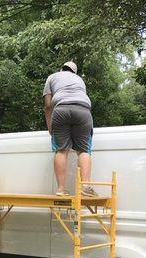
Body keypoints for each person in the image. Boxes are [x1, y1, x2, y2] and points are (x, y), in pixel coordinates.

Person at [43, 61, 98, 197]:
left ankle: (61, 189)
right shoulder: (79, 80)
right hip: (83, 110)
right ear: (74, 72)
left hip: (61, 109)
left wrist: (50, 125)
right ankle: (85, 187)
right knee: (84, 150)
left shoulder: (52, 77)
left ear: (61, 69)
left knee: (61, 150)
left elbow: (48, 105)